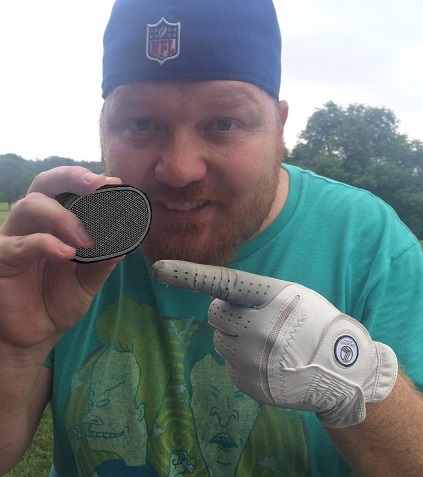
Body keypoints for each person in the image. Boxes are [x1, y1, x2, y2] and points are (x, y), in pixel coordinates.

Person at [0, 0, 422, 475]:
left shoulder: (366, 242)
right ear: (103, 129)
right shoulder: (69, 244)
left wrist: (354, 381)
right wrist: (12, 351)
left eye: (223, 123)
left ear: (280, 126)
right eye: (142, 124)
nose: (179, 169)